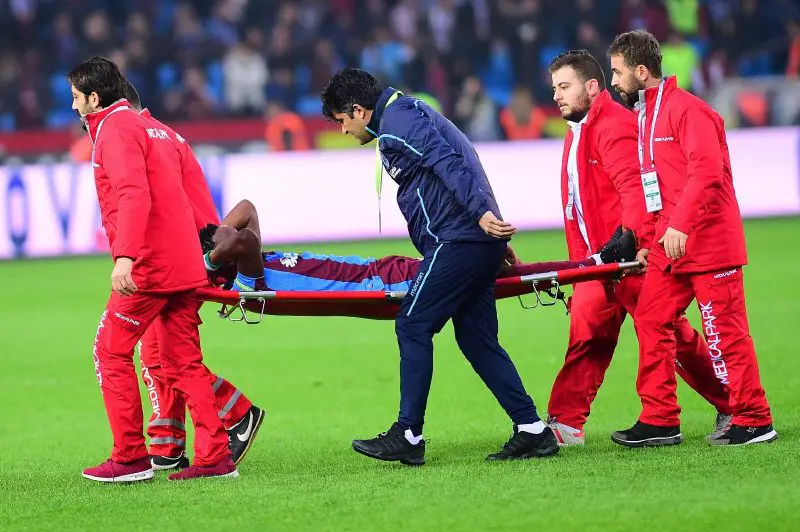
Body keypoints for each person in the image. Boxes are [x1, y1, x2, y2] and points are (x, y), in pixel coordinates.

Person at [320, 68, 559, 465]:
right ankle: (532, 429)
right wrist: (493, 230)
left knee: (412, 324)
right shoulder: (407, 113)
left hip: (458, 241)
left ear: (359, 110)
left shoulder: (398, 122)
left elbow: (449, 163)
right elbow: (466, 158)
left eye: (342, 120)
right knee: (477, 340)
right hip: (474, 241)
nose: (344, 130)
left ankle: (408, 434)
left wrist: (482, 215)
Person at [545, 49, 733, 446]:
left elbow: (638, 190)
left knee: (668, 336)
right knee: (588, 335)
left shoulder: (614, 125)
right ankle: (565, 423)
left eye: (564, 86)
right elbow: (576, 211)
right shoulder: (579, 129)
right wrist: (583, 268)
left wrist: (634, 243)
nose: (556, 96)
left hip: (627, 258)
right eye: (555, 88)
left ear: (591, 86)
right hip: (601, 261)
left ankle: (731, 403)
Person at [71, 56, 237, 482]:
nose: (73, 106)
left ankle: (129, 456)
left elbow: (132, 193)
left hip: (150, 264)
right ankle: (215, 457)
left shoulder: (114, 130)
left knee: (110, 351)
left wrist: (125, 256)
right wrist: (211, 257)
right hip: (184, 261)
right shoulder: (159, 130)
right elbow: (192, 196)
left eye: (76, 97)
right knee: (183, 361)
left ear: (95, 98)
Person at [607, 31, 776, 446]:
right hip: (670, 246)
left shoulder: (690, 111)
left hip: (709, 242)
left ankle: (755, 418)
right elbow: (658, 189)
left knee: (723, 332)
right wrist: (650, 241)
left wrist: (680, 226)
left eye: (617, 72)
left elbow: (707, 173)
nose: (613, 82)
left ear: (641, 71)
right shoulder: (647, 116)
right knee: (651, 318)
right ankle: (660, 419)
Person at [123, 83, 265, 470]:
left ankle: (237, 412)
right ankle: (168, 443)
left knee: (168, 356)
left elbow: (150, 203)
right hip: (194, 252)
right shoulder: (165, 135)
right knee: (159, 351)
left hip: (180, 259)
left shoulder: (137, 138)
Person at [199, 199, 637, 294]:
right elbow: (243, 236)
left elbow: (246, 209)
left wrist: (214, 242)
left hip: (386, 270)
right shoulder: (249, 281)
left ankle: (596, 261)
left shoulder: (252, 260)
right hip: (386, 284)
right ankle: (597, 262)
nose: (224, 229)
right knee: (499, 276)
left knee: (501, 275)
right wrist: (210, 261)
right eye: (218, 235)